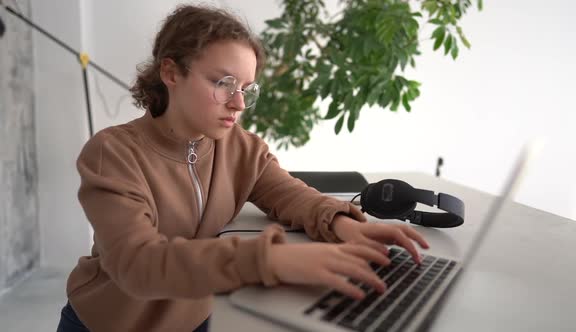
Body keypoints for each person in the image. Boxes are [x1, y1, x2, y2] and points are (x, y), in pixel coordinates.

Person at [56, 4, 429, 332]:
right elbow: (138, 264)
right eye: (223, 83)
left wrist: (345, 225)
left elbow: (289, 194)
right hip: (110, 323)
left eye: (246, 88)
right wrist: (270, 259)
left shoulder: (241, 147)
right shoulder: (112, 152)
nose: (238, 103)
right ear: (170, 73)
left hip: (199, 316)